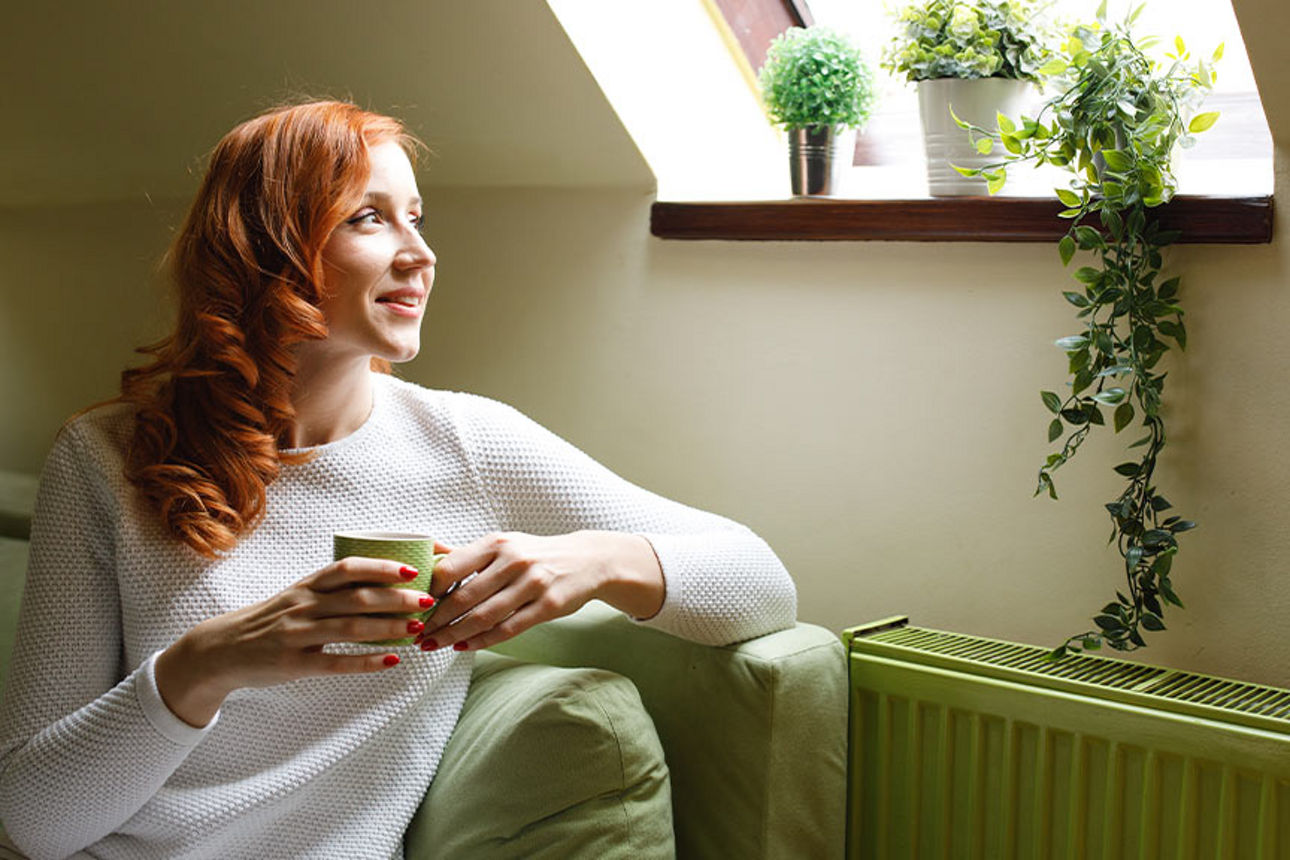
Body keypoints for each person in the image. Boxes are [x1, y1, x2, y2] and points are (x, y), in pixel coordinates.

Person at [0, 101, 796, 858]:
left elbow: (762, 583)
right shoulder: (103, 457)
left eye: (416, 216)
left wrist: (595, 561)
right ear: (264, 248)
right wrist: (207, 662)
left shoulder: (464, 443)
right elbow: (33, 821)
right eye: (369, 217)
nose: (420, 254)